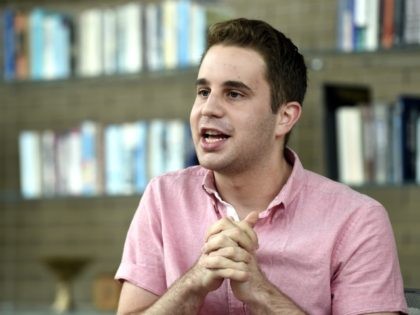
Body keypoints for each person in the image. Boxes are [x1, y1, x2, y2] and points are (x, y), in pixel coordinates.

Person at [115, 18, 408, 314]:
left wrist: (261, 292)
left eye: (234, 94)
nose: (208, 108)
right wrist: (193, 283)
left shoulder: (358, 221)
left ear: (285, 117)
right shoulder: (163, 197)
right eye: (203, 92)